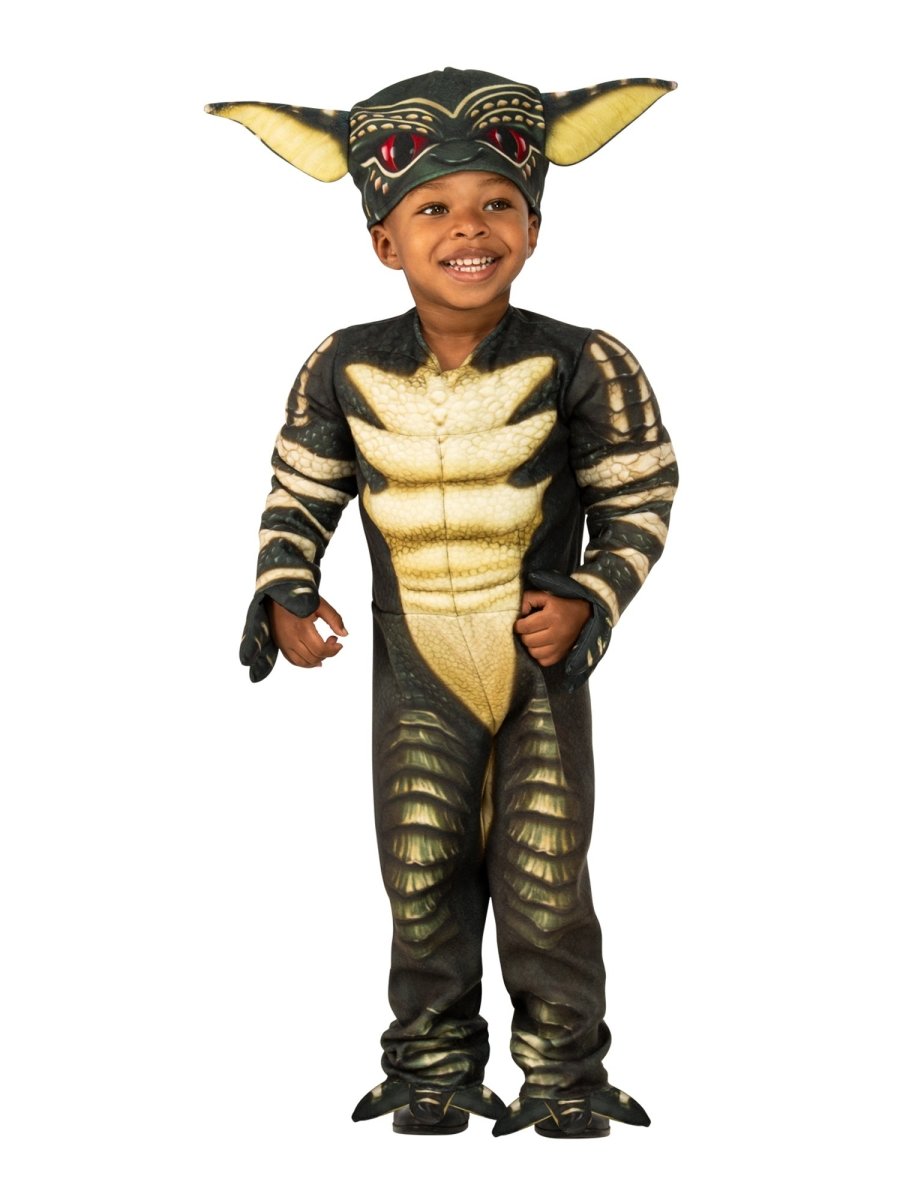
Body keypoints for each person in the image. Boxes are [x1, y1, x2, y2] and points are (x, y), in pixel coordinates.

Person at [207, 67, 678, 1139]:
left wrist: (593, 597)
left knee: (546, 877)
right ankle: (430, 1064)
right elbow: (299, 489)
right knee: (419, 869)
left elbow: (640, 492)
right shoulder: (341, 365)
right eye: (433, 209)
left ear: (534, 227)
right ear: (385, 240)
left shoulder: (585, 360)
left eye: (497, 203)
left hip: (538, 662)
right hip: (413, 663)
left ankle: (564, 1071)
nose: (470, 228)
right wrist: (285, 588)